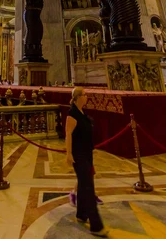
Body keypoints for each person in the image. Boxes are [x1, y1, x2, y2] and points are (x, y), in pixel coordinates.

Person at [66, 87, 108, 237]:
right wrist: (69, 154)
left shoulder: (82, 113)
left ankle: (81, 214)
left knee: (85, 185)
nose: (87, 96)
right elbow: (68, 134)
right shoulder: (72, 114)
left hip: (86, 154)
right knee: (88, 188)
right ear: (77, 97)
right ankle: (96, 226)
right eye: (84, 94)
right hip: (78, 155)